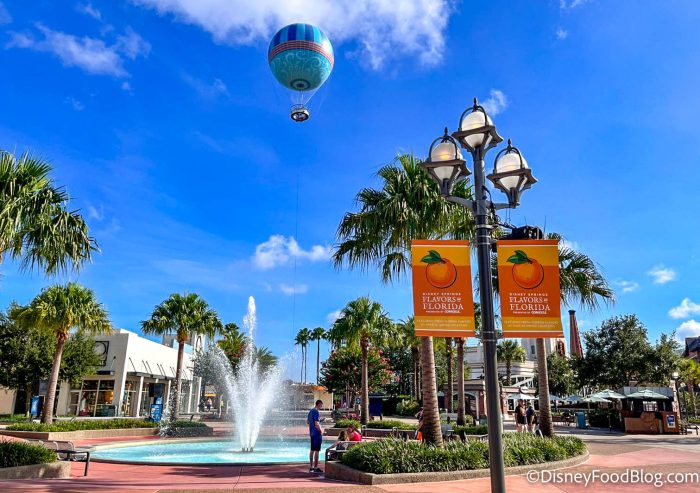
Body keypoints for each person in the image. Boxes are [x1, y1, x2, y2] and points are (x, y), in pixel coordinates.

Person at [307, 399, 324, 474]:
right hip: (317, 433)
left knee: (312, 450)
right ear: (319, 404)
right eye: (321, 405)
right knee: (317, 451)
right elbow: (316, 423)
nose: (321, 407)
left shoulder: (311, 411)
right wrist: (320, 431)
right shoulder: (316, 411)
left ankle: (311, 467)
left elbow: (308, 421)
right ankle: (316, 467)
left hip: (312, 433)